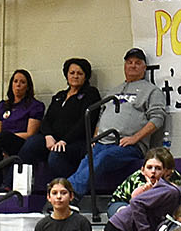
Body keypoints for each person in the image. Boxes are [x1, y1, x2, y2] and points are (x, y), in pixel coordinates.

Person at [70, 48, 166, 195]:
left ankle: (70, 194)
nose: (133, 65)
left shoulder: (152, 91)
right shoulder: (113, 91)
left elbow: (158, 119)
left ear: (144, 68)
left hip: (129, 146)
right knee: (86, 160)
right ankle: (66, 191)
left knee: (104, 158)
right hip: (102, 142)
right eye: (129, 62)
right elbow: (101, 114)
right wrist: (95, 136)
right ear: (124, 66)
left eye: (137, 63)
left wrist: (135, 138)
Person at [17, 58, 101, 187]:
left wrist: (64, 140)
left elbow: (86, 122)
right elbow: (46, 120)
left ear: (86, 76)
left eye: (80, 73)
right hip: (53, 139)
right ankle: (16, 186)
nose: (75, 76)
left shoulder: (91, 94)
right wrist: (48, 136)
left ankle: (67, 190)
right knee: (31, 143)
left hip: (76, 142)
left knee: (56, 155)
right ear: (66, 75)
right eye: (72, 73)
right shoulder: (59, 96)